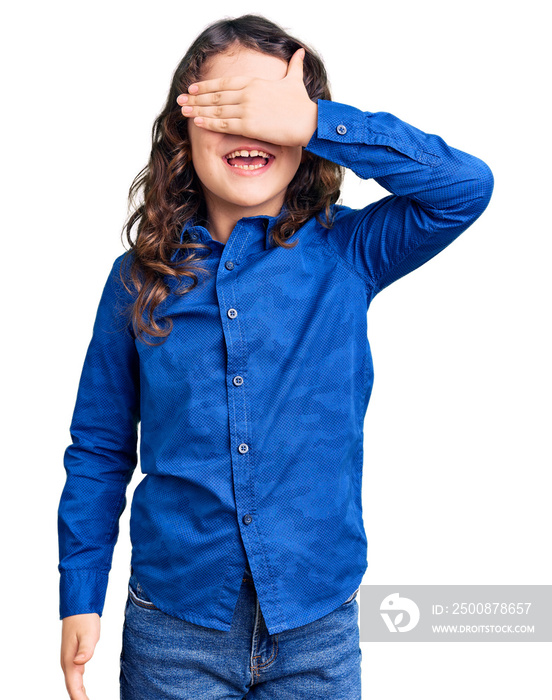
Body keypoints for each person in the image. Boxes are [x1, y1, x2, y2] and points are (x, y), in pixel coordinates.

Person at [58, 13, 494, 700]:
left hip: (316, 631)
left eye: (272, 112)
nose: (252, 129)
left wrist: (321, 120)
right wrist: (80, 590)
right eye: (229, 107)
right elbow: (101, 446)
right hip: (174, 629)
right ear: (184, 131)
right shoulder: (137, 281)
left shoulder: (350, 253)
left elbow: (465, 188)